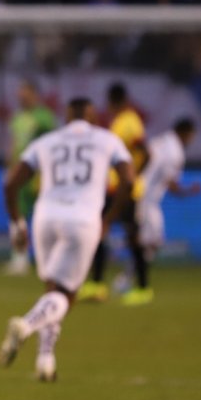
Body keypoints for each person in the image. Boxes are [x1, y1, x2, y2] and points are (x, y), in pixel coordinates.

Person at [0, 97, 136, 382]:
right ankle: (25, 325)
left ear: (66, 117)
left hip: (45, 217)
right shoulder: (107, 139)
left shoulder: (47, 141)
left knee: (52, 290)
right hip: (82, 218)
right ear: (93, 117)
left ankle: (45, 362)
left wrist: (17, 224)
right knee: (65, 295)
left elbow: (11, 183)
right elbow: (129, 179)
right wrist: (108, 219)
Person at [78, 83, 149, 302]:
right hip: (113, 189)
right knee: (99, 231)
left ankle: (143, 288)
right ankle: (97, 285)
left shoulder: (130, 122)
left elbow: (146, 153)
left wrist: (132, 177)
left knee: (132, 237)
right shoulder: (120, 122)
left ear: (113, 101)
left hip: (126, 191)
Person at [127, 119, 201, 306]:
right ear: (186, 133)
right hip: (146, 201)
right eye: (192, 136)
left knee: (150, 242)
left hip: (142, 196)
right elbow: (171, 185)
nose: (191, 140)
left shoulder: (160, 140)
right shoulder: (175, 152)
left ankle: (129, 278)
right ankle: (132, 283)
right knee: (145, 243)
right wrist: (188, 191)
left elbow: (144, 158)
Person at [4, 80, 57, 276]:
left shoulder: (44, 118)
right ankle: (19, 258)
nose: (21, 98)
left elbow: (53, 144)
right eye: (20, 94)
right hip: (19, 172)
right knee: (17, 214)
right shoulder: (17, 118)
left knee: (45, 217)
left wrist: (49, 172)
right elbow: (13, 144)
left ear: (35, 95)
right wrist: (8, 167)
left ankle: (49, 259)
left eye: (25, 94)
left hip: (38, 173)